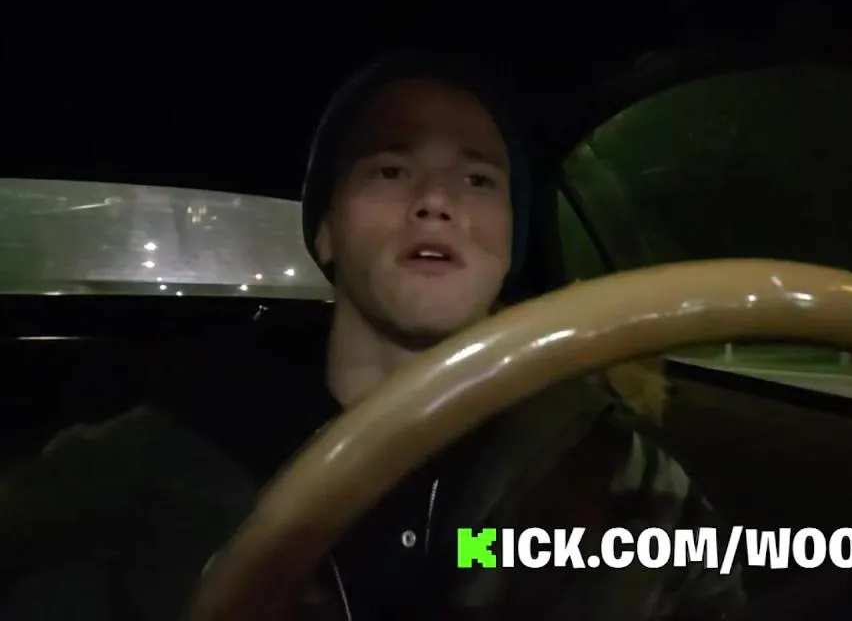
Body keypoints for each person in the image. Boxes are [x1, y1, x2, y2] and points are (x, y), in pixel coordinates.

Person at [0, 52, 746, 620]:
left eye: (478, 180)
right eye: (390, 170)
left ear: (510, 244)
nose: (435, 201)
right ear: (325, 230)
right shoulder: (143, 468)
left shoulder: (618, 470)